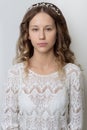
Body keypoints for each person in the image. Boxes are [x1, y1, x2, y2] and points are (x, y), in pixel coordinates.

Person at [1, 2, 84, 130]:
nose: (41, 36)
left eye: (48, 29)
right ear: (27, 33)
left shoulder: (73, 73)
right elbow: (8, 125)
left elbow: (76, 126)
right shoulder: (15, 73)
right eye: (35, 29)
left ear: (58, 32)